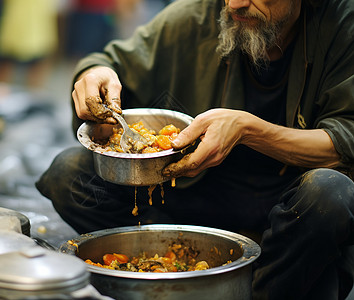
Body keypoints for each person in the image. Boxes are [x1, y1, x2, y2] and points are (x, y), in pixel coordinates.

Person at [36, 0, 354, 299]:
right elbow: (109, 64)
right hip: (190, 196)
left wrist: (249, 130)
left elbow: (344, 141)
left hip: (287, 214)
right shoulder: (198, 15)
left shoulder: (341, 23)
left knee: (330, 193)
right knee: (70, 174)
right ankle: (163, 264)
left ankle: (258, 290)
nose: (235, 5)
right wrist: (91, 74)